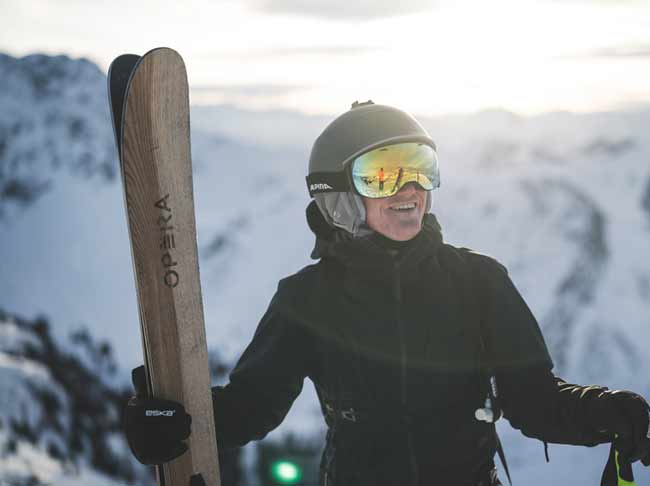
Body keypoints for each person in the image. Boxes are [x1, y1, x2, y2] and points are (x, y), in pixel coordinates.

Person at [124, 100, 650, 486]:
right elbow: (250, 408)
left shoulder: (479, 282)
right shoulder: (307, 300)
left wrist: (607, 411)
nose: (410, 189)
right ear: (339, 200)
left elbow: (534, 401)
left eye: (421, 170)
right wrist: (175, 424)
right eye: (382, 176)